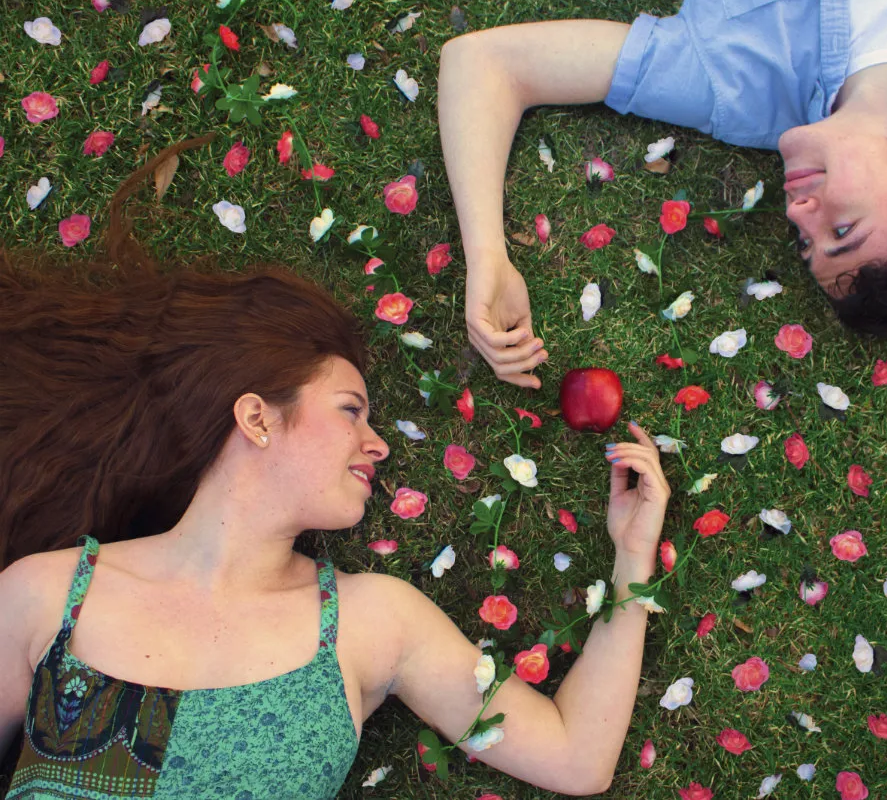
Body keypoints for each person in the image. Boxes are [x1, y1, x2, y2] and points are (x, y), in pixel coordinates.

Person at [0, 135, 671, 799]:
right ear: (257, 418)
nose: (379, 445)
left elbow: (576, 758)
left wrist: (632, 556)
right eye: (351, 410)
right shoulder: (48, 597)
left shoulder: (370, 623)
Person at [438, 0, 887, 390]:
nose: (796, 212)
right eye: (844, 229)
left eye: (806, 242)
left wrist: (488, 257)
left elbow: (486, 64)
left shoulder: (734, 87)